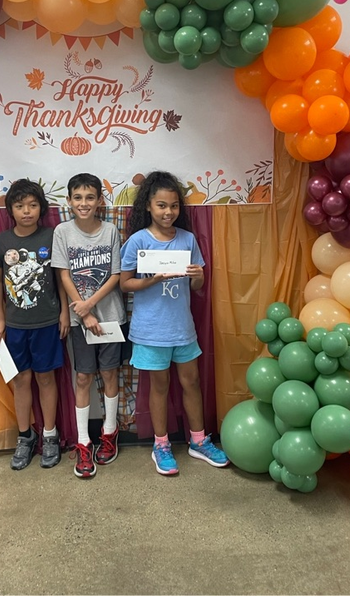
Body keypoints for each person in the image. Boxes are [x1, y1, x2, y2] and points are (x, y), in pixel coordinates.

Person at [120, 171, 229, 476]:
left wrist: (199, 276)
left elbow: (197, 286)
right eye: (161, 205)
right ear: (148, 206)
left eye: (174, 206)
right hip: (150, 330)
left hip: (182, 328)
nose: (168, 212)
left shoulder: (187, 239)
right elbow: (125, 284)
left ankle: (199, 440)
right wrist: (152, 280)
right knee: (159, 386)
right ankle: (161, 445)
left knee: (191, 382)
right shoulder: (138, 241)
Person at [0, 178, 69, 471]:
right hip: (15, 325)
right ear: (10, 209)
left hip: (47, 323)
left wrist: (65, 313)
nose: (26, 211)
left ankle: (50, 435)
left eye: (33, 205)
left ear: (41, 208)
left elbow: (61, 277)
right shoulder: (2, 241)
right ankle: (25, 436)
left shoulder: (51, 237)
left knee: (46, 378)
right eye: (20, 206)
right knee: (21, 380)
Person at [52, 173, 126, 479]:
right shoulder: (62, 231)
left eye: (90, 197)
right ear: (69, 201)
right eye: (78, 198)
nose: (84, 203)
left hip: (110, 317)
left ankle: (109, 432)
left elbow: (115, 275)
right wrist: (82, 313)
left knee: (109, 374)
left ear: (99, 201)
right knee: (83, 377)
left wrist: (90, 305)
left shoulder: (110, 231)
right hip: (80, 321)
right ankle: (83, 442)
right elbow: (63, 275)